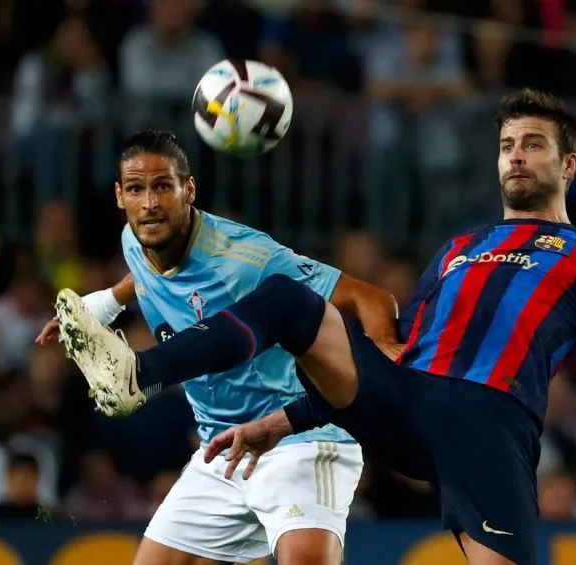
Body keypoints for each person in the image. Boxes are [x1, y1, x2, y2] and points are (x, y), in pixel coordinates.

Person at [54, 91, 576, 565]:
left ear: (568, 164)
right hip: (405, 397)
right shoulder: (460, 246)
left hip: (487, 425)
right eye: (507, 145)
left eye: (534, 145)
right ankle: (138, 372)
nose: (516, 157)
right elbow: (410, 346)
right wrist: (279, 423)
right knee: (288, 300)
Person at [42, 130, 400, 565]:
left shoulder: (246, 258)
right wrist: (103, 305)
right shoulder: (135, 241)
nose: (150, 203)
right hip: (221, 449)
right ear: (120, 196)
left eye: (163, 187)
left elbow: (370, 297)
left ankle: (138, 375)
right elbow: (147, 275)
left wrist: (385, 349)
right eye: (136, 189)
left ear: (188, 190)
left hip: (298, 437)